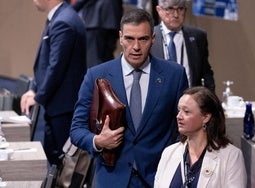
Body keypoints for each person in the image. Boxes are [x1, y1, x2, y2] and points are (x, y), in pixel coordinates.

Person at [70, 8, 189, 187]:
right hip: (111, 178)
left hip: (157, 177)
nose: (136, 47)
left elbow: (184, 129)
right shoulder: (96, 76)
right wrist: (98, 141)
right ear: (120, 37)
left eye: (143, 39)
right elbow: (77, 130)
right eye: (129, 39)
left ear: (153, 39)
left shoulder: (174, 75)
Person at [20, 0, 87, 166]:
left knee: (64, 165)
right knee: (56, 161)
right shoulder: (60, 17)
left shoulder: (63, 22)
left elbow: (56, 67)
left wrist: (39, 96)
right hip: (59, 105)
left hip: (64, 108)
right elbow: (47, 62)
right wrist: (34, 89)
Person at [154, 86, 247, 187]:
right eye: (179, 110)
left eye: (186, 111)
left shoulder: (231, 156)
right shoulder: (169, 153)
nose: (179, 116)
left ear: (205, 117)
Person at [150, 0, 215, 91]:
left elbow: (206, 73)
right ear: (159, 10)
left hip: (190, 99)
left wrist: (210, 101)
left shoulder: (198, 36)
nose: (176, 15)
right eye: (170, 9)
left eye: (180, 9)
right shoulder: (148, 37)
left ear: (186, 10)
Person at [71, 0, 123, 68]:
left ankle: (97, 78)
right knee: (107, 59)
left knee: (94, 60)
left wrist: (67, 11)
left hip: (96, 21)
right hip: (113, 21)